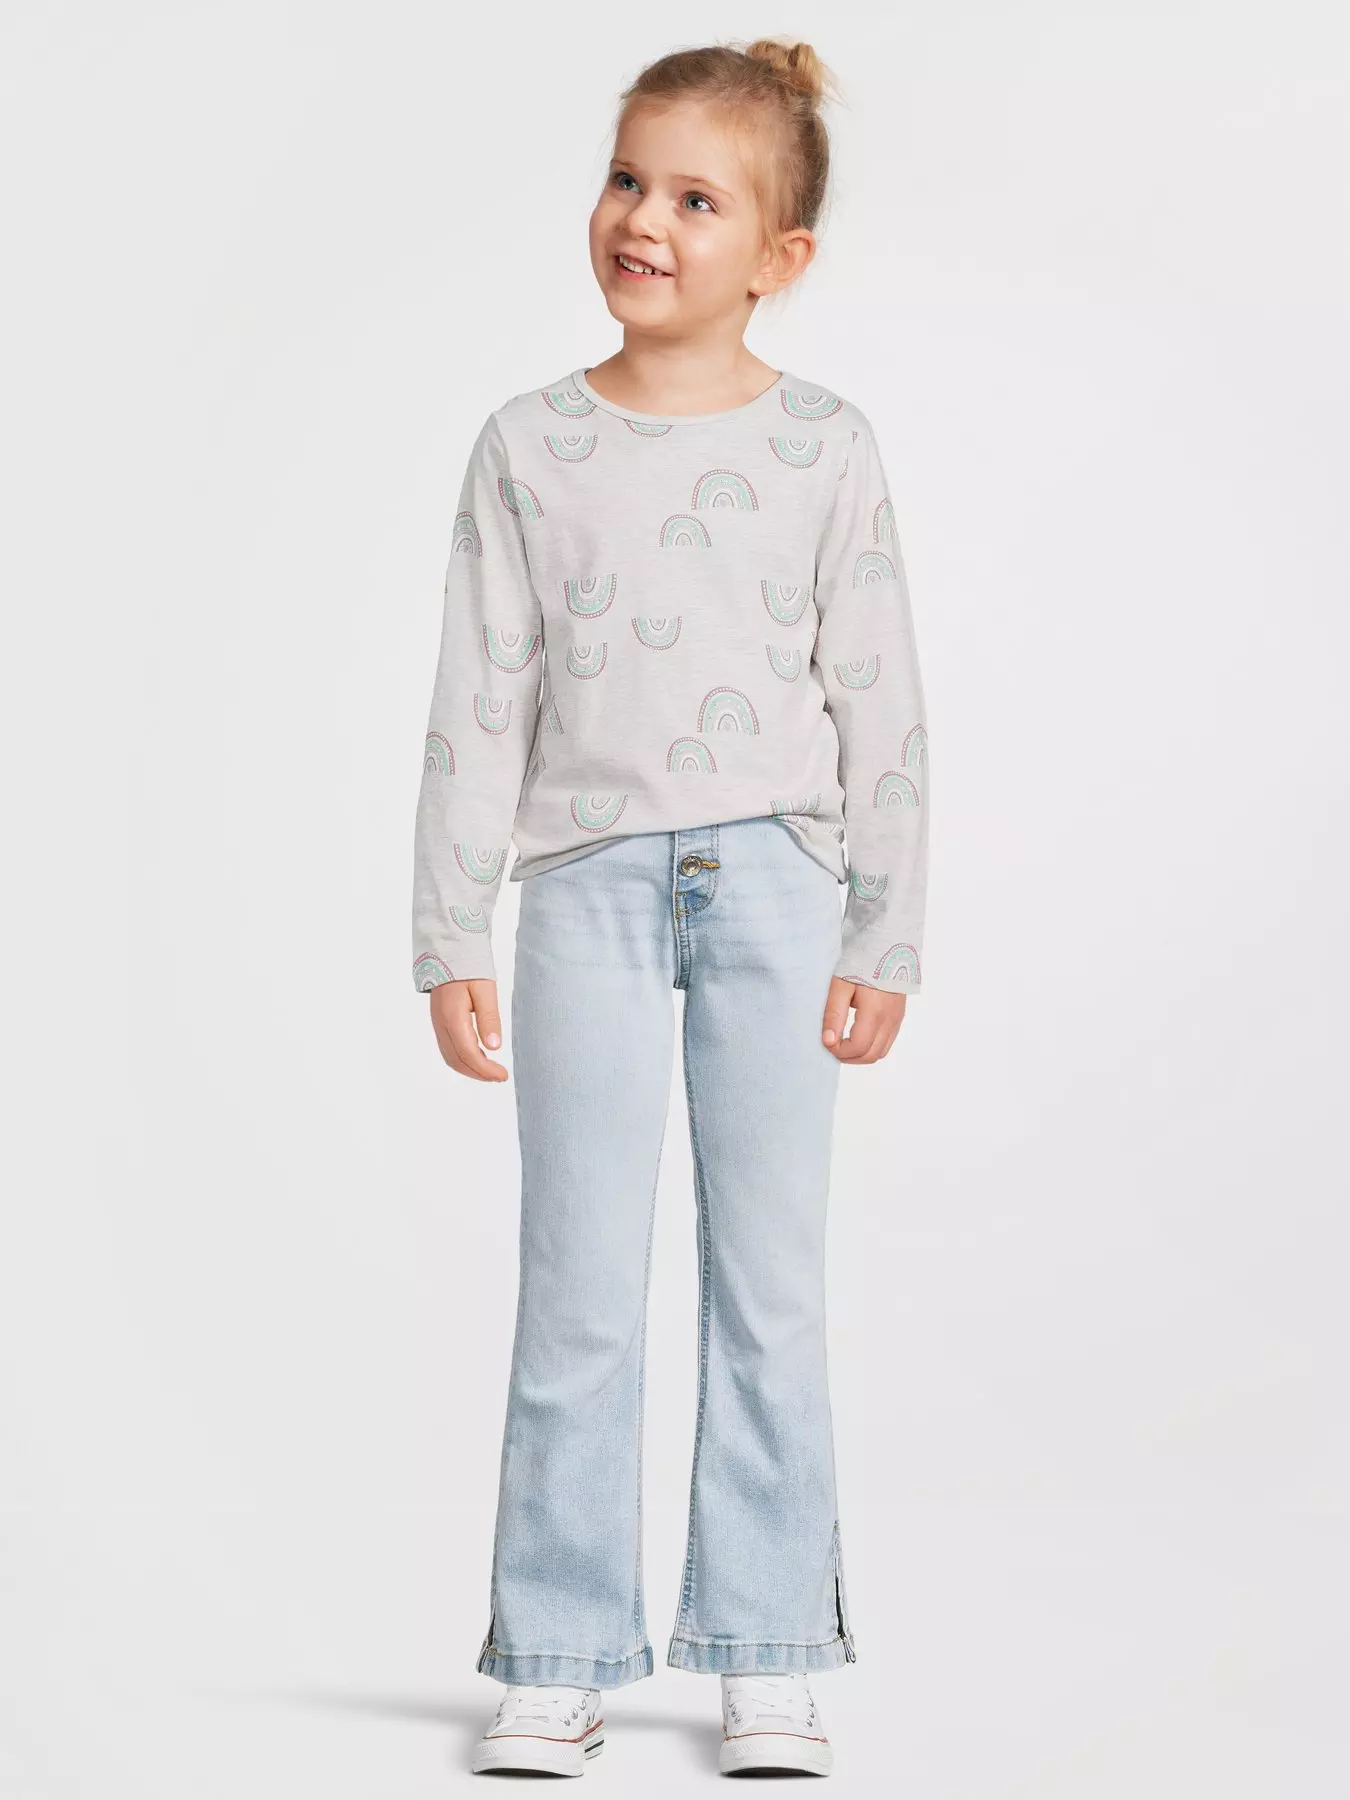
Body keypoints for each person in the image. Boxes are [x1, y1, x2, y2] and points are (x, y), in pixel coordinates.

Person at [410, 36, 930, 1780]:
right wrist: (448, 930)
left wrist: (883, 929)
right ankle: (556, 1647)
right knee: (578, 1285)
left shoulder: (825, 447)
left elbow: (881, 699)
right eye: (628, 180)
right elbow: (478, 702)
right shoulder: (527, 446)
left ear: (779, 254)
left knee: (766, 1283)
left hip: (777, 885)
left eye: (697, 199)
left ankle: (764, 1648)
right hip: (585, 896)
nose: (645, 219)